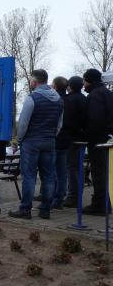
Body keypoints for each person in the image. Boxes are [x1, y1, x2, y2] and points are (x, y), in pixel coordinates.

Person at [9, 69, 63, 220]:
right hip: (50, 141)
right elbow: (59, 125)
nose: (31, 81)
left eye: (32, 79)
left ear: (35, 81)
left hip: (31, 142)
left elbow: (23, 124)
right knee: (48, 176)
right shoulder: (58, 99)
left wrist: (19, 140)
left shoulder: (32, 98)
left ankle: (25, 209)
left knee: (29, 176)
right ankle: (45, 210)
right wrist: (51, 136)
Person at [82, 69, 113, 215]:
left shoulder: (95, 95)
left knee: (98, 173)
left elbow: (95, 119)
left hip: (98, 141)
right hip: (107, 138)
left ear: (90, 80)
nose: (83, 84)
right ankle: (106, 202)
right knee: (106, 172)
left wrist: (89, 137)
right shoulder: (107, 93)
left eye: (84, 81)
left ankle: (100, 204)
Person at [62, 76, 88, 208]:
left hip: (71, 138)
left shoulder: (68, 100)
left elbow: (66, 121)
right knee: (78, 167)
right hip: (82, 138)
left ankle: (72, 197)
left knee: (71, 168)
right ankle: (77, 195)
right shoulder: (85, 99)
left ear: (69, 86)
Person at [50, 76, 73, 209]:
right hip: (66, 140)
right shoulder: (70, 100)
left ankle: (52, 198)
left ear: (55, 86)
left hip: (55, 139)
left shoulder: (55, 100)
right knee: (62, 172)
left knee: (51, 172)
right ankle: (59, 198)